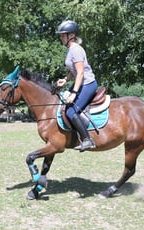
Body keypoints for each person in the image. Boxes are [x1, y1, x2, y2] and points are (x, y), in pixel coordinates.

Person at [55, 20, 97, 152]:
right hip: (80, 83)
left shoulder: (76, 50)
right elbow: (73, 70)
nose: (61, 37)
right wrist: (65, 79)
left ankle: (87, 140)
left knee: (71, 111)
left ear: (71, 35)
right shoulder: (70, 50)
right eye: (61, 35)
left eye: (63, 35)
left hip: (87, 84)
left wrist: (74, 93)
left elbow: (80, 73)